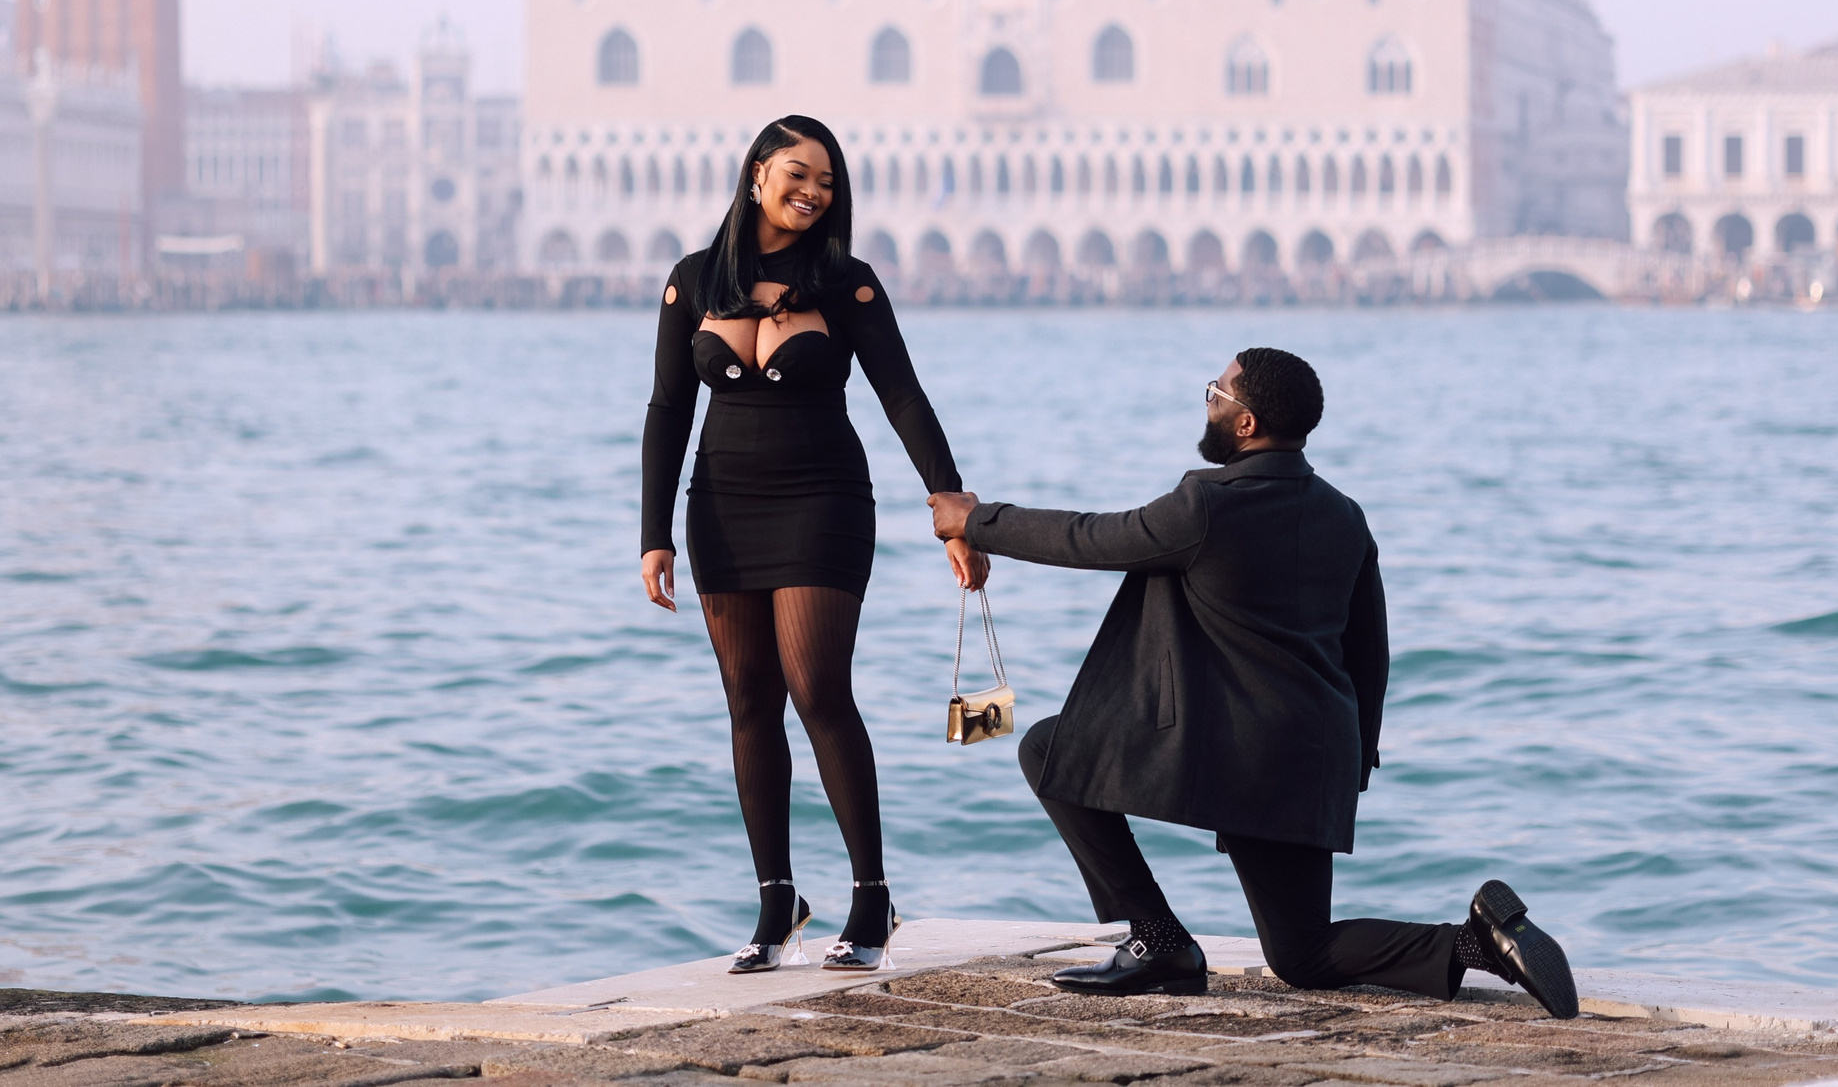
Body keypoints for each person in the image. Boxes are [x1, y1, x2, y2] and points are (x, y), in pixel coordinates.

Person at [926, 347, 1579, 1016]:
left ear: (1245, 423)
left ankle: (1156, 938)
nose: (1207, 400)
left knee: (1043, 747)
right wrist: (1361, 753)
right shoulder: (1344, 514)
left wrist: (975, 520)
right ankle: (1479, 942)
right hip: (1313, 755)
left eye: (1216, 391)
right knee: (1302, 953)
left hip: (1233, 752)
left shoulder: (1206, 505)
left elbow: (1090, 538)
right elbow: (1368, 648)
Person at [641, 115, 988, 976]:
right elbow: (666, 411)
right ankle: (776, 900)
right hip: (722, 504)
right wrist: (653, 536)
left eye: (828, 181)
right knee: (749, 698)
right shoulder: (691, 280)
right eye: (799, 172)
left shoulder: (848, 284)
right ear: (756, 173)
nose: (814, 191)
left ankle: (872, 892)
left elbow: (903, 395)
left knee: (816, 684)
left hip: (823, 501)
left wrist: (952, 507)